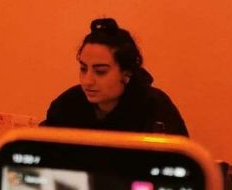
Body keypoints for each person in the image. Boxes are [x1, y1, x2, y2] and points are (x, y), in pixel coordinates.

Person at [42, 17, 188, 135]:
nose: (87, 81)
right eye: (83, 69)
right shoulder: (67, 105)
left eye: (100, 71)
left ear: (126, 73)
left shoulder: (155, 108)